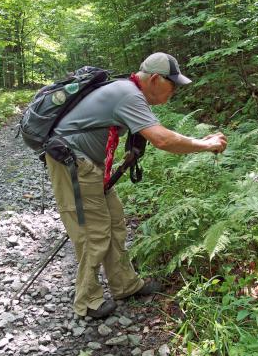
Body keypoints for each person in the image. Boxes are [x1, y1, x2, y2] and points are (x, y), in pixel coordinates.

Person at [45, 52, 227, 319]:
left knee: (115, 222)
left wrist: (200, 140)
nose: (173, 92)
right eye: (172, 85)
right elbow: (162, 140)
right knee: (92, 233)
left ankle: (124, 284)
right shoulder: (127, 94)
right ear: (154, 79)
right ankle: (87, 301)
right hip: (72, 164)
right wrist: (206, 144)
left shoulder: (128, 90)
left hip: (90, 165)